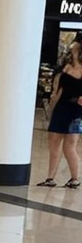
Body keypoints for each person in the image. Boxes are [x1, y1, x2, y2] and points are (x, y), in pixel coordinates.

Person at [37, 37, 82, 188]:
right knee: (54, 144)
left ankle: (74, 178)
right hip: (62, 108)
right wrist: (51, 108)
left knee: (69, 146)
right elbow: (58, 91)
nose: (72, 48)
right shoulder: (66, 68)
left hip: (75, 111)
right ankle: (50, 178)